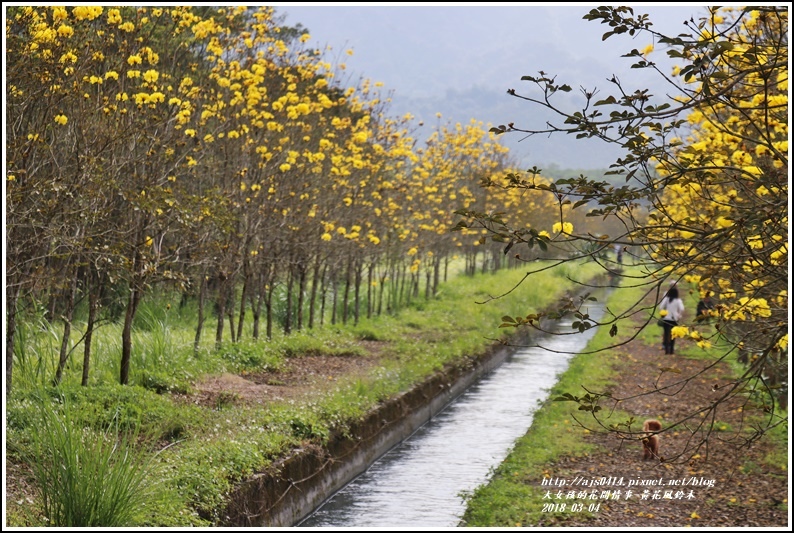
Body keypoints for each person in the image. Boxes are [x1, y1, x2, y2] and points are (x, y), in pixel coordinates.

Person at [659, 285, 685, 354]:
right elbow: (682, 308)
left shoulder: (666, 299)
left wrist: (663, 313)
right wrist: (679, 315)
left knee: (666, 334)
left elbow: (661, 307)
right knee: (673, 334)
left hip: (666, 318)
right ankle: (672, 349)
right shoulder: (678, 300)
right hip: (674, 319)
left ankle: (666, 349)